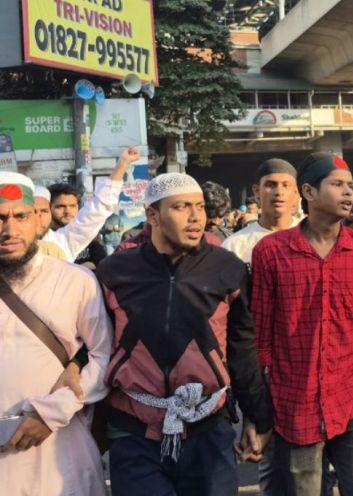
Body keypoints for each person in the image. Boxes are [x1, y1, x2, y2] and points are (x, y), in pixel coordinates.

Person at [96, 173, 273, 494]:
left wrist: (256, 417)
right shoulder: (115, 271)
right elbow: (96, 344)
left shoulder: (227, 267)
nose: (195, 217)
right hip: (134, 433)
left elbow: (242, 349)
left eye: (200, 207)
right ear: (152, 216)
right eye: (181, 207)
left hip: (209, 430)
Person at [251, 153, 353, 496]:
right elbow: (260, 338)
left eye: (350, 186)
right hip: (293, 405)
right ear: (308, 191)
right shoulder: (271, 252)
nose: (348, 193)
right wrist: (257, 413)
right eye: (337, 185)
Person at [0, 171, 113, 495]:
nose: (9, 230)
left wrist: (51, 412)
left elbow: (104, 358)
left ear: (38, 220)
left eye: (19, 216)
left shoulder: (75, 281)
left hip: (61, 456)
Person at [39, 147, 141, 263]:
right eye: (60, 207)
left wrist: (123, 163)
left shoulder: (66, 240)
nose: (67, 211)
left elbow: (100, 207)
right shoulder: (30, 242)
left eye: (72, 206)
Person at [222, 159, 301, 267]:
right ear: (257, 191)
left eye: (286, 185)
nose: (279, 192)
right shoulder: (234, 246)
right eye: (271, 185)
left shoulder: (313, 238)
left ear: (296, 193)